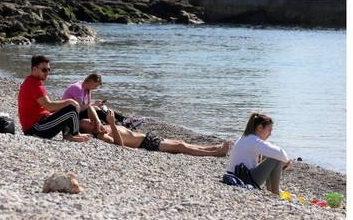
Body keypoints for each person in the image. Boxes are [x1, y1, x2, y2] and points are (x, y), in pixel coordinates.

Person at [85, 110, 231, 157]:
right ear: (90, 131)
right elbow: (119, 144)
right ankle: (215, 153)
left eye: (92, 121)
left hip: (147, 136)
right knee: (180, 146)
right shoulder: (102, 136)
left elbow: (90, 107)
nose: (93, 123)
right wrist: (111, 123)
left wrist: (99, 119)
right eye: (91, 124)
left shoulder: (101, 127)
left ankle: (214, 148)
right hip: (146, 143)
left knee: (182, 143)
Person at [18, 55, 89, 142]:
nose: (47, 73)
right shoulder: (33, 84)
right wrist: (69, 101)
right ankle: (75, 134)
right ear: (34, 69)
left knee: (66, 107)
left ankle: (67, 134)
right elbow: (49, 106)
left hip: (39, 124)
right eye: (44, 70)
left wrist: (63, 107)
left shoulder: (33, 81)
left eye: (48, 70)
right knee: (71, 109)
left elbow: (46, 107)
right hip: (36, 129)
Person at [225, 112, 291, 194]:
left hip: (234, 175)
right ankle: (275, 191)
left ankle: (271, 188)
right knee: (276, 158)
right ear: (260, 127)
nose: (270, 134)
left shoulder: (245, 137)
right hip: (245, 179)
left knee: (269, 155)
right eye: (269, 130)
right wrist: (287, 162)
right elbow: (281, 153)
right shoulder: (254, 141)